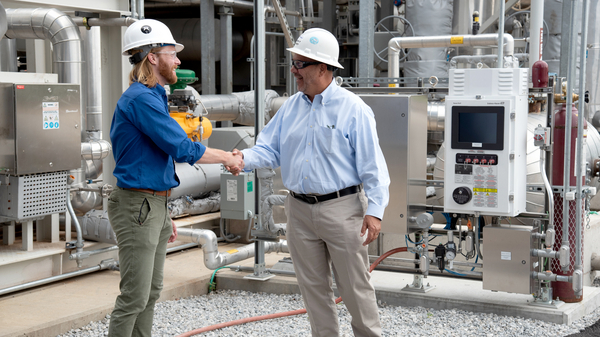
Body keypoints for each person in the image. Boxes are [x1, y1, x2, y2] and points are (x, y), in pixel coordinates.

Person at [238, 28, 390, 337]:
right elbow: (269, 149)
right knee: (313, 289)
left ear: (323, 68)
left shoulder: (354, 109)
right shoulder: (290, 108)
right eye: (293, 63)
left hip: (343, 209)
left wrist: (375, 211)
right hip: (299, 210)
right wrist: (242, 159)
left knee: (355, 288)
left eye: (299, 64)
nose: (293, 70)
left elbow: (373, 165)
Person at [107, 19, 243, 337]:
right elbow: (180, 147)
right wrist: (227, 158)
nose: (178, 60)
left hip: (152, 204)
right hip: (137, 206)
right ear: (153, 57)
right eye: (172, 53)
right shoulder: (140, 99)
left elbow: (156, 159)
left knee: (150, 293)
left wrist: (164, 211)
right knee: (134, 296)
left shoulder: (154, 96)